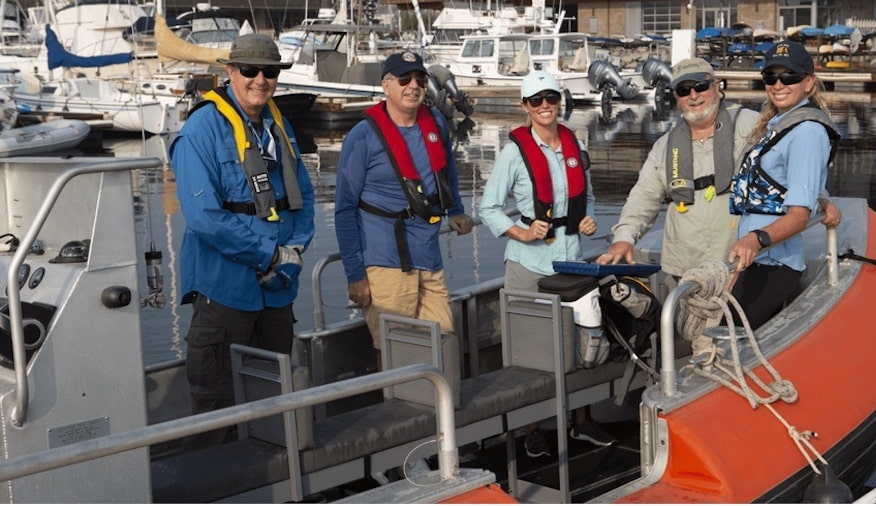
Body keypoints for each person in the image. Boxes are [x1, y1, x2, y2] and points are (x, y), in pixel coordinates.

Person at [170, 33, 316, 449]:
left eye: (269, 72)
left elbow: (301, 198)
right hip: (225, 293)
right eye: (249, 70)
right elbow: (203, 217)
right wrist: (268, 254)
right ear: (229, 72)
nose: (260, 80)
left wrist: (295, 250)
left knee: (273, 399)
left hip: (277, 292)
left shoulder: (277, 124)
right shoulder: (202, 128)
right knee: (217, 407)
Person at [596, 56, 840, 289]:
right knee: (682, 327)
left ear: (716, 86)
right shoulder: (664, 146)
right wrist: (624, 238)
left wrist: (821, 197)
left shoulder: (753, 125)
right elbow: (643, 197)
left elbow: (792, 164)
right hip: (684, 265)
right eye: (684, 90)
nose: (694, 96)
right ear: (676, 96)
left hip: (736, 261)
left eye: (701, 86)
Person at [478, 70, 612, 459]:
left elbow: (583, 198)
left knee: (581, 344)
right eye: (536, 100)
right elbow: (487, 208)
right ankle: (531, 432)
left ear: (559, 100)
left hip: (572, 262)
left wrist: (587, 222)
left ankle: (582, 423)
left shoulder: (574, 143)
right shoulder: (512, 153)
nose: (545, 106)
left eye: (550, 97)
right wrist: (520, 232)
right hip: (529, 265)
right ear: (525, 107)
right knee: (531, 352)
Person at [334, 51, 473, 354]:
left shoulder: (434, 120)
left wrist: (456, 209)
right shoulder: (362, 137)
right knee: (395, 350)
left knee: (445, 343)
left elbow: (446, 166)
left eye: (420, 79)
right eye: (404, 79)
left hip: (429, 258)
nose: (413, 85)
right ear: (386, 86)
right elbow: (344, 209)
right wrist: (355, 274)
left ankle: (442, 402)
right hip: (386, 265)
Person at [727, 41, 840, 328]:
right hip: (755, 259)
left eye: (789, 76)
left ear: (808, 82)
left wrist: (755, 239)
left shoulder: (806, 132)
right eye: (770, 77)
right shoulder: (779, 124)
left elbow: (799, 216)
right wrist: (823, 199)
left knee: (734, 342)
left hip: (773, 263)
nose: (779, 84)